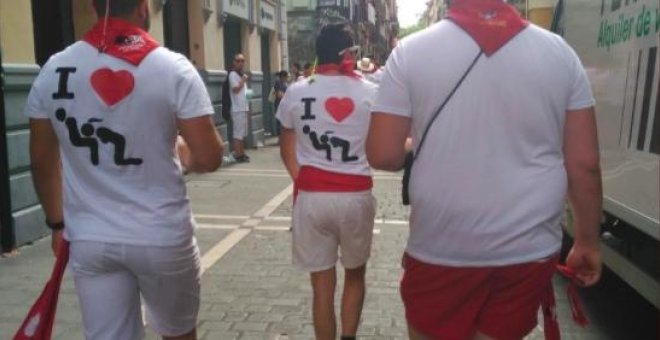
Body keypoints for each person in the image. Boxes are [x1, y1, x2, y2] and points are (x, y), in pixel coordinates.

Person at [366, 0, 602, 339]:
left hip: (442, 247)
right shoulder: (559, 54)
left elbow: (382, 153)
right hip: (527, 250)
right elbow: (585, 165)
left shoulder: (411, 52)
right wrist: (587, 241)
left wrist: (418, 142)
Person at [25, 0, 223, 339]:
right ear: (144, 7)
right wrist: (182, 153)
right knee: (178, 334)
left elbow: (42, 161)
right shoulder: (173, 68)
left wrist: (57, 223)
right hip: (160, 234)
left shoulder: (54, 70)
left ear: (93, 7)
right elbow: (208, 157)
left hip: (90, 237)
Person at [276, 24, 378, 340]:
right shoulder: (371, 92)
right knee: (355, 273)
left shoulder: (296, 90)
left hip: (312, 197)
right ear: (347, 53)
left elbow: (286, 148)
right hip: (355, 196)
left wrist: (306, 180)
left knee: (321, 285)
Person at [229, 52, 251, 162]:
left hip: (244, 107)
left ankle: (242, 153)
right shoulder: (233, 75)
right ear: (234, 62)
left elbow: (245, 92)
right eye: (238, 61)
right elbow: (235, 89)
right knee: (238, 133)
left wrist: (249, 100)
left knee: (242, 132)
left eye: (242, 61)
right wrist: (243, 80)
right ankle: (238, 154)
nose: (240, 63)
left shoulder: (241, 74)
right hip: (237, 109)